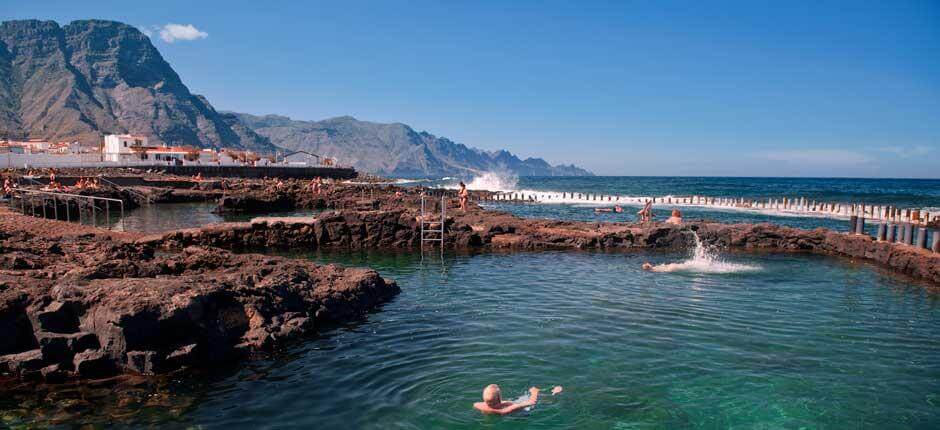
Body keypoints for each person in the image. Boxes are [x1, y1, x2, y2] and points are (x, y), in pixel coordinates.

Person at [473, 384, 563, 415]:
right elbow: (532, 402)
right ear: (500, 398)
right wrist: (535, 392)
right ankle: (553, 395)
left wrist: (504, 403)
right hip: (519, 414)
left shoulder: (478, 405)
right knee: (538, 401)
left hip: (498, 407)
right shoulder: (506, 410)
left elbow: (493, 404)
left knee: (516, 401)